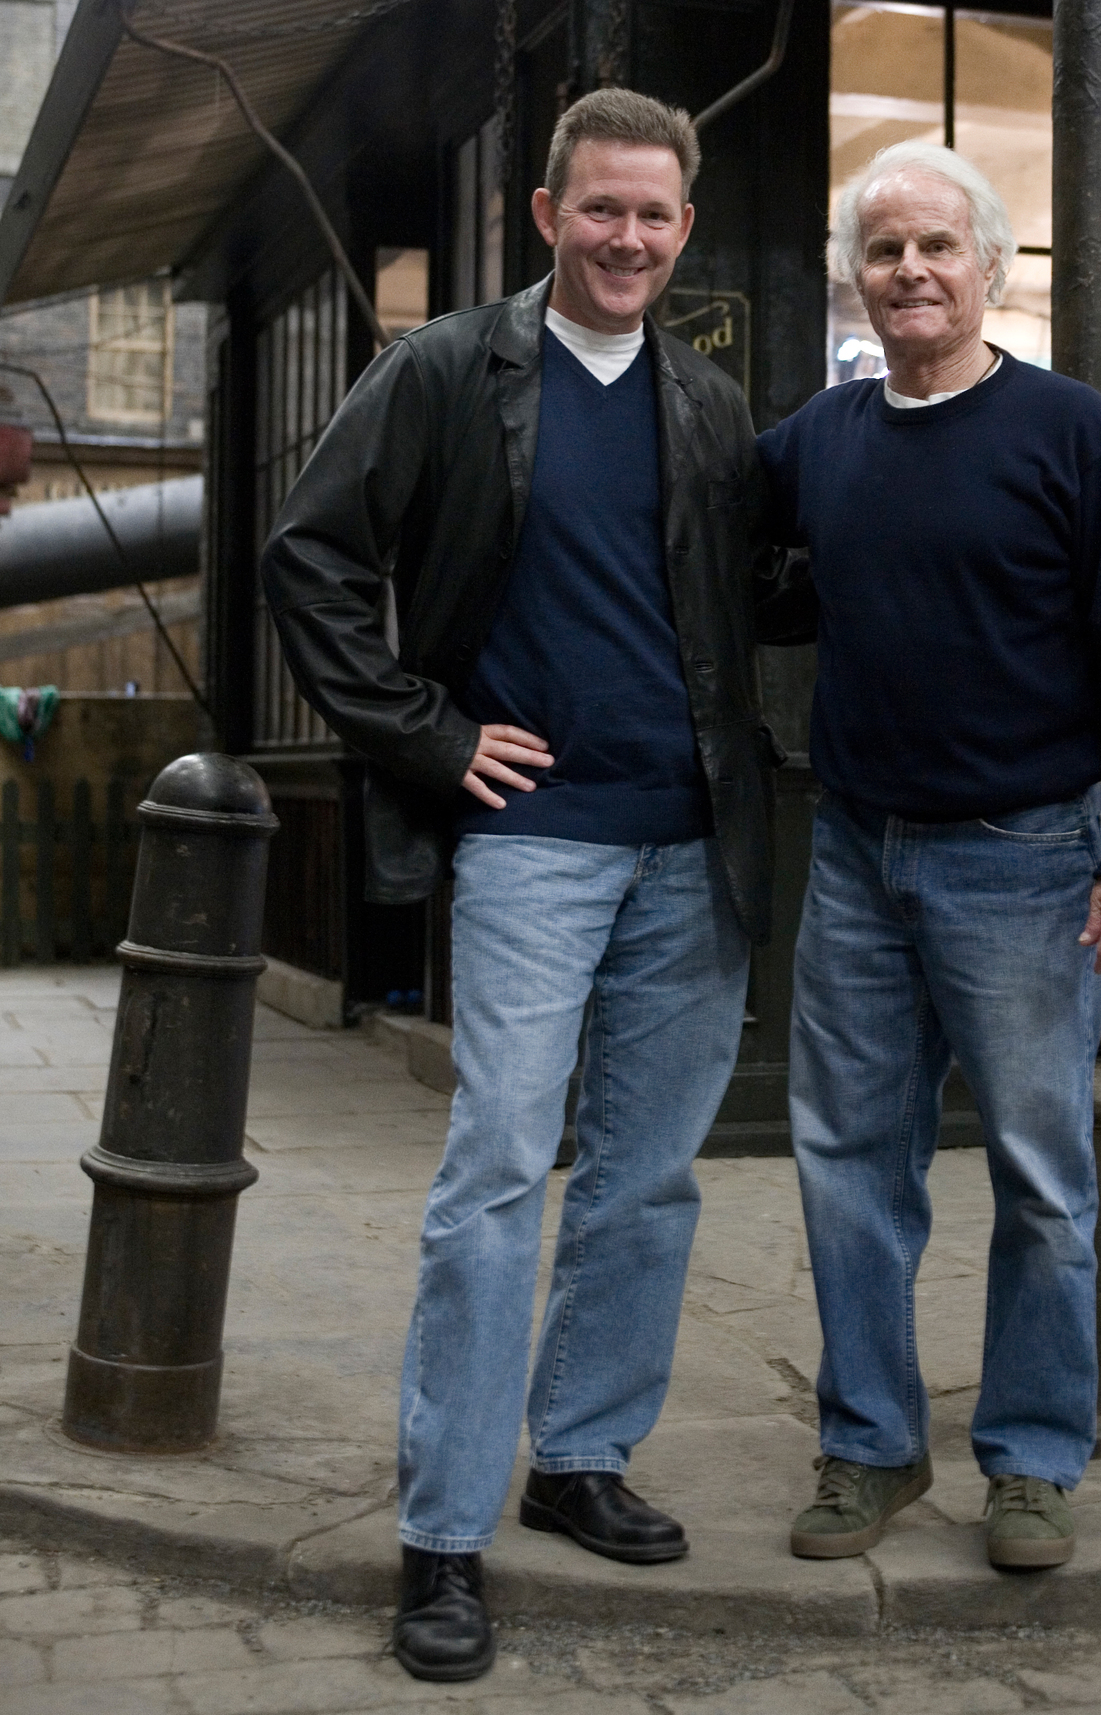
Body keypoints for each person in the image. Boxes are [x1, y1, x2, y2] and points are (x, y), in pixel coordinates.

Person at [261, 89, 782, 1683]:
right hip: (534, 848)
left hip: (691, 847)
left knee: (645, 1178)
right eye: (600, 208)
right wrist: (427, 734)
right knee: (494, 1175)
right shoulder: (442, 370)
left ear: (683, 231)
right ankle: (442, 1533)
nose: (627, 237)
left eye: (655, 215)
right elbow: (312, 554)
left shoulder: (705, 404)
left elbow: (771, 593)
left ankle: (578, 1458)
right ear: (547, 213)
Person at [757, 141, 1101, 1573]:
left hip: (1023, 858)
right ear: (852, 274)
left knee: (1040, 1177)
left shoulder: (1065, 431)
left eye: (935, 248)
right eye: (882, 250)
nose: (908, 272)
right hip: (854, 853)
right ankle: (872, 1449)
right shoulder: (817, 439)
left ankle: (1027, 1462)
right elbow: (735, 563)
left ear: (989, 268)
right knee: (845, 1165)